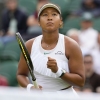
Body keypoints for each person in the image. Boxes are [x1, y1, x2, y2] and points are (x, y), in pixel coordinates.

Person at [17, 3, 85, 94]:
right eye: (45, 15)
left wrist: (58, 71)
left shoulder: (71, 46)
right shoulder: (29, 45)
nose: (49, 18)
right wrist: (30, 87)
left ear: (60, 21)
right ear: (38, 22)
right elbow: (21, 75)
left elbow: (80, 82)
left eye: (54, 14)